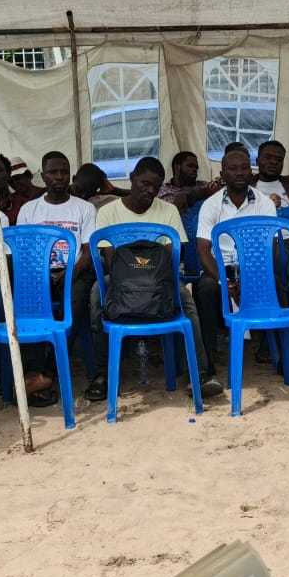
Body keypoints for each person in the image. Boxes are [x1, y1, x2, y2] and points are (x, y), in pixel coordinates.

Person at [88, 157, 224, 398]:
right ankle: (102, 374)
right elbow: (110, 260)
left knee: (186, 300)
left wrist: (137, 263)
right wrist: (146, 262)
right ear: (132, 178)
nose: (150, 191)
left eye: (156, 186)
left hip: (161, 279)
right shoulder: (108, 212)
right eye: (144, 183)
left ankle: (199, 373)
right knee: (97, 292)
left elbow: (173, 257)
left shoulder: (168, 211)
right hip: (120, 281)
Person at [194, 148, 289, 383]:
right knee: (204, 289)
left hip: (255, 268)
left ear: (251, 172)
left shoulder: (264, 203)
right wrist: (225, 282)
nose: (239, 173)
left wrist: (250, 279)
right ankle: (207, 365)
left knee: (280, 286)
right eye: (232, 168)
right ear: (222, 174)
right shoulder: (211, 205)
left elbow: (269, 248)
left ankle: (286, 359)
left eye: (244, 168)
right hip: (221, 269)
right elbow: (204, 250)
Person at [16, 151, 99, 405]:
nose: (60, 177)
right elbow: (23, 251)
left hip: (75, 272)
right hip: (38, 274)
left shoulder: (84, 208)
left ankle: (46, 374)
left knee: (74, 303)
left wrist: (68, 273)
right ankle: (33, 370)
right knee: (26, 302)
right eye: (53, 172)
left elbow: (88, 252)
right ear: (43, 176)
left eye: (64, 171)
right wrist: (41, 274)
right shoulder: (29, 210)